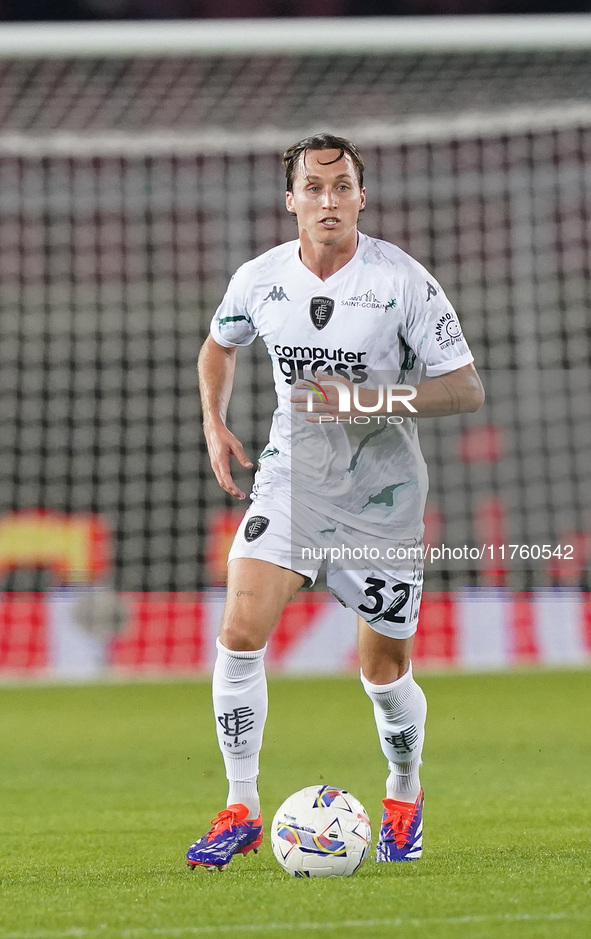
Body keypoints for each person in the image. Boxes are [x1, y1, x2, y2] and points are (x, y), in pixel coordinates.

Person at [187, 134, 484, 871]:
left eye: (341, 186)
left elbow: (465, 387)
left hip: (380, 495)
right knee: (239, 628)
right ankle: (240, 806)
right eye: (312, 188)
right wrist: (214, 418)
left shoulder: (400, 281)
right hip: (291, 479)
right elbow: (219, 345)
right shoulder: (259, 279)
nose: (327, 200)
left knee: (383, 671)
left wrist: (368, 397)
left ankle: (404, 792)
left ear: (360, 196)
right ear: (290, 199)